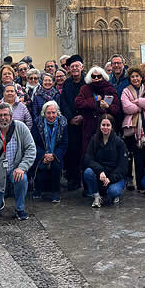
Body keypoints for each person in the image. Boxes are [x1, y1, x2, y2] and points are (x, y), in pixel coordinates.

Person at [0, 102, 37, 220]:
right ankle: (0, 199)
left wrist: (22, 167)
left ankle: (20, 208)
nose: (3, 118)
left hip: (14, 171)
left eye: (5, 115)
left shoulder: (21, 127)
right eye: (0, 115)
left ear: (11, 116)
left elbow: (31, 149)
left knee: (22, 178)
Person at [121, 67, 145, 192]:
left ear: (141, 77)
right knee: (138, 159)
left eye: (137, 76)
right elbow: (126, 107)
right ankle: (141, 185)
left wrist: (138, 101)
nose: (135, 79)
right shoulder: (126, 91)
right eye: (132, 77)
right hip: (134, 130)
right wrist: (142, 106)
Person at [83, 114, 128, 207]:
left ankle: (112, 195)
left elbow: (123, 166)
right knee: (88, 172)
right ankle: (96, 195)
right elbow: (88, 158)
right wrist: (100, 171)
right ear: (99, 126)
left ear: (112, 127)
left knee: (113, 191)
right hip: (100, 175)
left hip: (115, 177)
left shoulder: (119, 142)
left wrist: (111, 178)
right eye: (103, 125)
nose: (105, 127)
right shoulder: (94, 139)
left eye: (108, 125)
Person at [75, 66, 122, 153]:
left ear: (103, 76)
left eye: (99, 76)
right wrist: (94, 101)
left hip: (106, 127)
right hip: (89, 127)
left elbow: (116, 109)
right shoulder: (85, 89)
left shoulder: (110, 89)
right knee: (89, 152)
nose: (96, 78)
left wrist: (108, 107)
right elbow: (78, 102)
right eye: (93, 76)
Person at [32, 100, 68, 202]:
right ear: (44, 113)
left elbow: (64, 144)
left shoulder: (63, 123)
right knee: (41, 165)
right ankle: (38, 188)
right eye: (48, 113)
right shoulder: (37, 122)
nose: (51, 115)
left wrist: (54, 155)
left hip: (56, 153)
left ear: (57, 113)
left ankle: (56, 192)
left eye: (53, 112)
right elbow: (34, 143)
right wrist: (44, 155)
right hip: (42, 152)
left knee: (56, 166)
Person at [59, 55, 86, 191]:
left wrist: (82, 116)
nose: (75, 68)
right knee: (72, 151)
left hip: (86, 122)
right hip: (71, 123)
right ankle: (73, 179)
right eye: (72, 67)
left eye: (77, 66)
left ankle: (87, 181)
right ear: (69, 69)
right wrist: (70, 117)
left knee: (85, 151)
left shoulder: (88, 82)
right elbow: (63, 102)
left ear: (82, 67)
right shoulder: (67, 83)